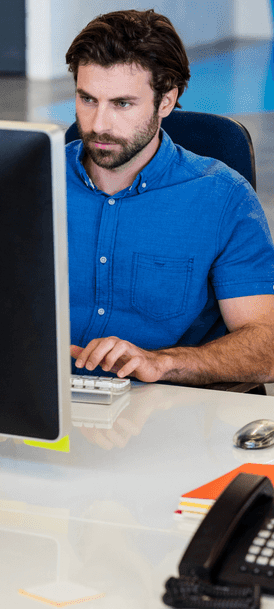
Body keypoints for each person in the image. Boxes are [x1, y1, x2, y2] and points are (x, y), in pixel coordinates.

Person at [65, 10, 274, 385]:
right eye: (88, 99)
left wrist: (161, 363)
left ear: (165, 102)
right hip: (43, 405)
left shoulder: (223, 197)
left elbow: (266, 346)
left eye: (122, 103)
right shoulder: (33, 178)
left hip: (164, 410)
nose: (98, 124)